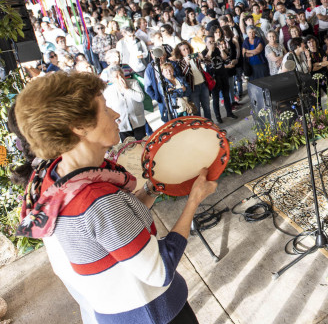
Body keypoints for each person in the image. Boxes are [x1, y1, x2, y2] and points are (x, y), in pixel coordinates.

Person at [12, 72, 217, 323]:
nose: (116, 115)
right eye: (106, 109)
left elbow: (119, 228)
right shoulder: (96, 200)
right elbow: (160, 269)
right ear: (79, 127)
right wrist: (194, 200)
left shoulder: (57, 176)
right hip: (151, 314)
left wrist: (154, 186)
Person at [103, 66, 148, 141]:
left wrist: (126, 89)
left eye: (121, 74)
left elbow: (140, 98)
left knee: (142, 143)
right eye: (116, 76)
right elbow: (108, 108)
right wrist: (115, 120)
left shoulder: (133, 83)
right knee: (129, 148)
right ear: (112, 79)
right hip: (123, 124)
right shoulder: (109, 91)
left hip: (138, 121)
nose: (120, 78)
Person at [201, 36, 238, 124]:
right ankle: (218, 116)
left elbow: (225, 58)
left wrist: (221, 49)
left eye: (213, 41)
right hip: (213, 78)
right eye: (210, 42)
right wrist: (210, 49)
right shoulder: (204, 52)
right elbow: (206, 60)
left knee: (226, 95)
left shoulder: (217, 49)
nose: (212, 43)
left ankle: (229, 112)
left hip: (223, 74)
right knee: (216, 98)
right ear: (206, 43)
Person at [174, 41, 212, 121]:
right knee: (196, 110)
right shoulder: (180, 63)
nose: (186, 51)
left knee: (207, 107)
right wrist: (187, 63)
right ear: (180, 52)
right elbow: (184, 74)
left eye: (187, 48)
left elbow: (208, 63)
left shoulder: (195, 58)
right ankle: (199, 126)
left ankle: (209, 124)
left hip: (202, 84)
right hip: (193, 88)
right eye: (183, 50)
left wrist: (202, 58)